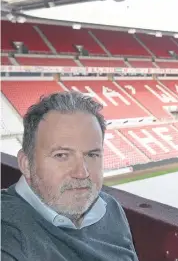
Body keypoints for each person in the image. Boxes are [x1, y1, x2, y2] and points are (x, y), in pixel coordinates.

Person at [1, 91, 139, 261]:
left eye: (92, 155)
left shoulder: (110, 208)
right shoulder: (7, 233)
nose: (82, 173)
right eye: (61, 155)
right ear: (26, 164)